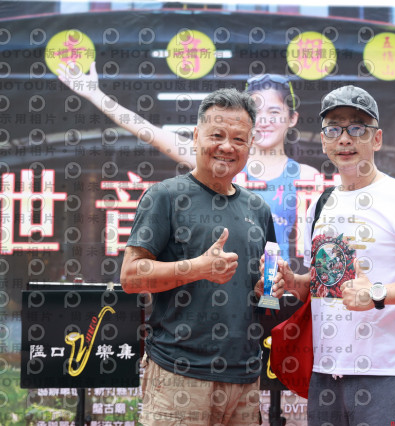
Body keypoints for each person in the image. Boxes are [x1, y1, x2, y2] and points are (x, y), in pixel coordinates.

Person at [280, 85, 395, 426]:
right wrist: (297, 282)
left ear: (376, 138)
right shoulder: (321, 204)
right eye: (334, 129)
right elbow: (324, 285)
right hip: (325, 374)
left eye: (357, 128)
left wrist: (378, 293)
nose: (344, 139)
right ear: (323, 141)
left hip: (387, 375)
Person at [120, 88, 285, 425]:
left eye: (238, 139)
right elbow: (130, 277)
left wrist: (267, 290)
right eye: (217, 135)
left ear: (250, 145)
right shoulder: (165, 196)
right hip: (178, 374)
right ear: (196, 136)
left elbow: (263, 292)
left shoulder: (258, 209)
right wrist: (197, 268)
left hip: (244, 378)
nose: (227, 146)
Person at [58, 64, 319, 260]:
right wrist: (95, 95)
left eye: (274, 112)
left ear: (292, 118)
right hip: (222, 282)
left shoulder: (307, 177)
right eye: (257, 112)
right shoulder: (222, 162)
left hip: (277, 291)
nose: (265, 121)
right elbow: (149, 131)